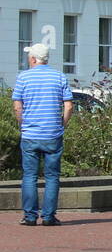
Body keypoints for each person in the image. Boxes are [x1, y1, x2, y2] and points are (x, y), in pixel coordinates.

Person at [12, 43, 74, 226]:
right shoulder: (59, 76)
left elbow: (17, 106)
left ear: (32, 59)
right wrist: (61, 124)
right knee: (52, 176)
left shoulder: (23, 77)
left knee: (29, 175)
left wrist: (22, 124)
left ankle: (30, 216)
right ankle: (48, 217)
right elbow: (69, 105)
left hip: (30, 134)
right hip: (53, 134)